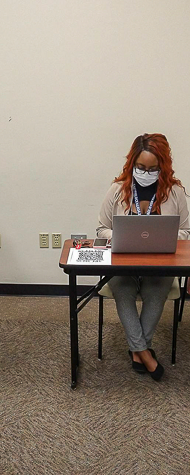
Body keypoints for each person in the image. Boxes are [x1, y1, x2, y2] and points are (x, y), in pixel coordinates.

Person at [97, 133, 190, 381]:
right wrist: (121, 234)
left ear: (163, 166)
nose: (146, 172)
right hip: (124, 262)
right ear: (132, 164)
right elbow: (101, 228)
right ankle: (144, 352)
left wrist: (165, 234)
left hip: (160, 263)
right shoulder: (117, 189)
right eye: (140, 167)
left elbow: (187, 232)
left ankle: (138, 349)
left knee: (157, 291)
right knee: (122, 289)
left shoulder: (175, 191)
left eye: (152, 168)